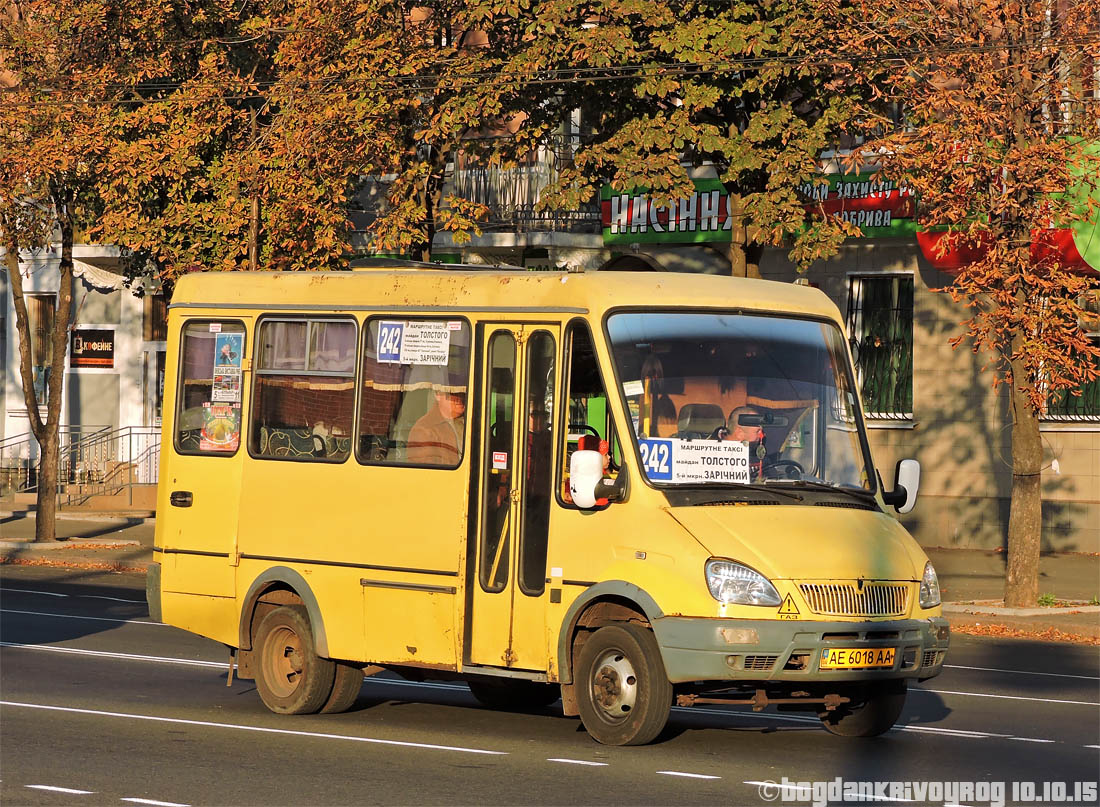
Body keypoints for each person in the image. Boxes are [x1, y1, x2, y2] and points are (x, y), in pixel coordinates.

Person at [407, 389, 466, 465]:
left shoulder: (469, 422)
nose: (459, 396)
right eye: (451, 392)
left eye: (463, 391)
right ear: (438, 395)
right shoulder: (424, 430)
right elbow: (427, 473)